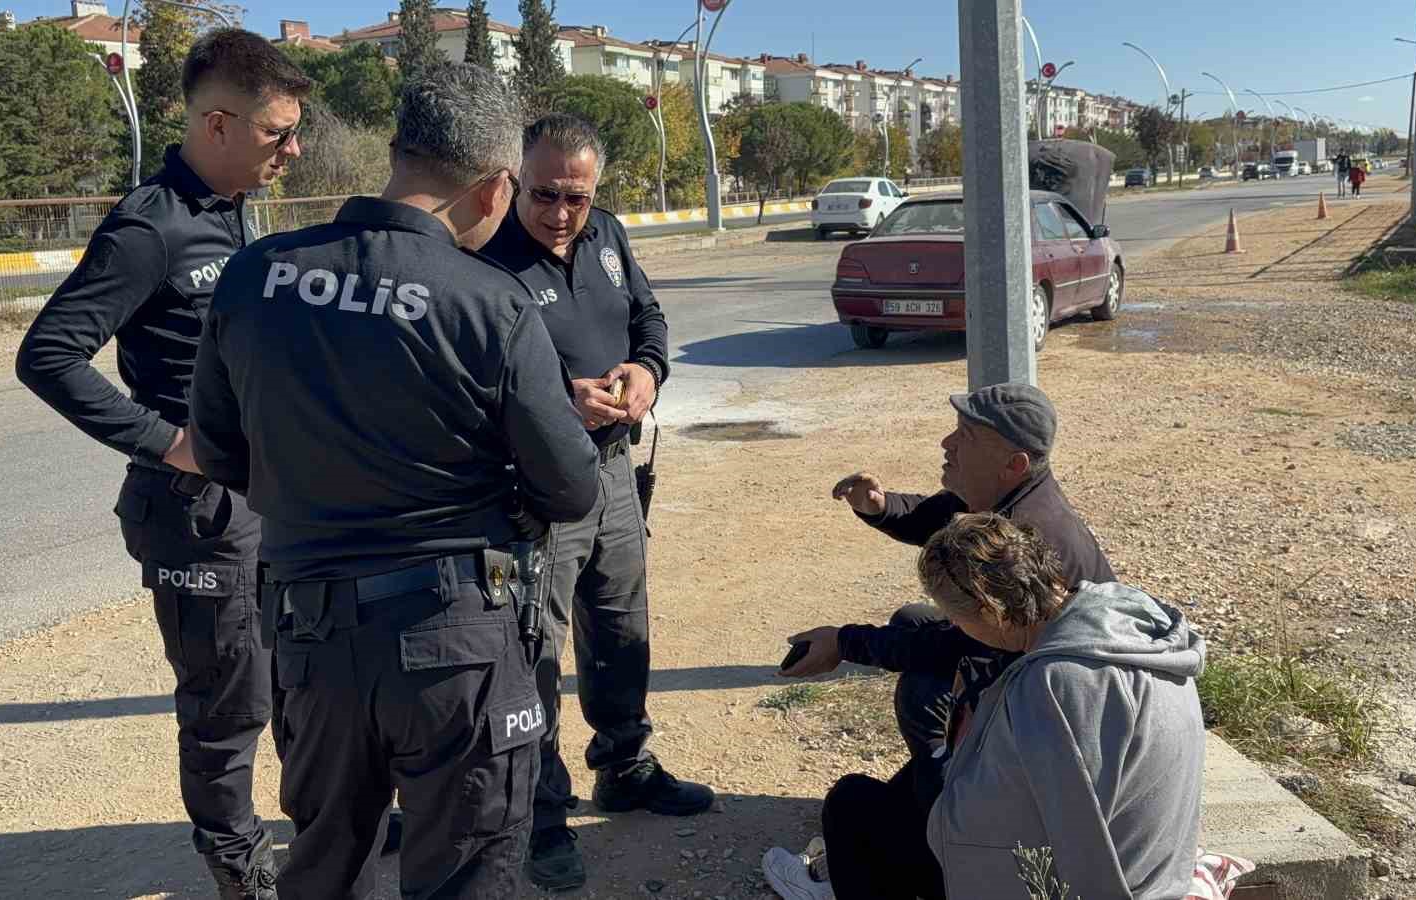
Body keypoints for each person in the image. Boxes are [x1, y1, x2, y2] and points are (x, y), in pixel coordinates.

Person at [187, 63, 600, 899]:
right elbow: (572, 488)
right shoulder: (490, 302)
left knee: (326, 863)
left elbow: (221, 452)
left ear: (395, 153)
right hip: (457, 645)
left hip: (310, 639)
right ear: (493, 190)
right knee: (465, 871)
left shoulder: (253, 274)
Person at [14, 30, 310, 899]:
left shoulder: (230, 208)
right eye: (276, 134)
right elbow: (49, 357)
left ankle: (322, 822)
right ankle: (238, 866)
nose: (291, 152)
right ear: (217, 123)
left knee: (297, 677)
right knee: (228, 705)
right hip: (195, 513)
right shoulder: (149, 227)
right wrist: (168, 441)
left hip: (268, 502)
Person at [479, 113, 713, 891]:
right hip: (533, 484)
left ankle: (625, 765)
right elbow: (466, 375)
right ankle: (541, 815)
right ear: (514, 180)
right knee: (534, 650)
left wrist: (648, 371)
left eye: (576, 197)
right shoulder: (483, 255)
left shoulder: (607, 235)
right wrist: (554, 401)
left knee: (620, 626)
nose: (560, 212)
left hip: (614, 472)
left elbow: (648, 317)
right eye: (544, 194)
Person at [764, 383, 1114, 899]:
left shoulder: (1023, 535)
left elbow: (953, 647)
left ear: (1013, 463)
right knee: (912, 623)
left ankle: (936, 832)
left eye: (966, 437)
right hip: (1026, 691)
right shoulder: (1009, 496)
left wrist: (844, 643)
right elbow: (938, 518)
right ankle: (928, 798)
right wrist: (882, 507)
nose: (947, 444)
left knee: (899, 729)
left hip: (1045, 738)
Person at [901, 513, 1201, 899]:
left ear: (990, 609)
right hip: (1154, 872)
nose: (957, 629)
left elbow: (1081, 834)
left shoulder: (1057, 683)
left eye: (956, 618)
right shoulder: (1125, 625)